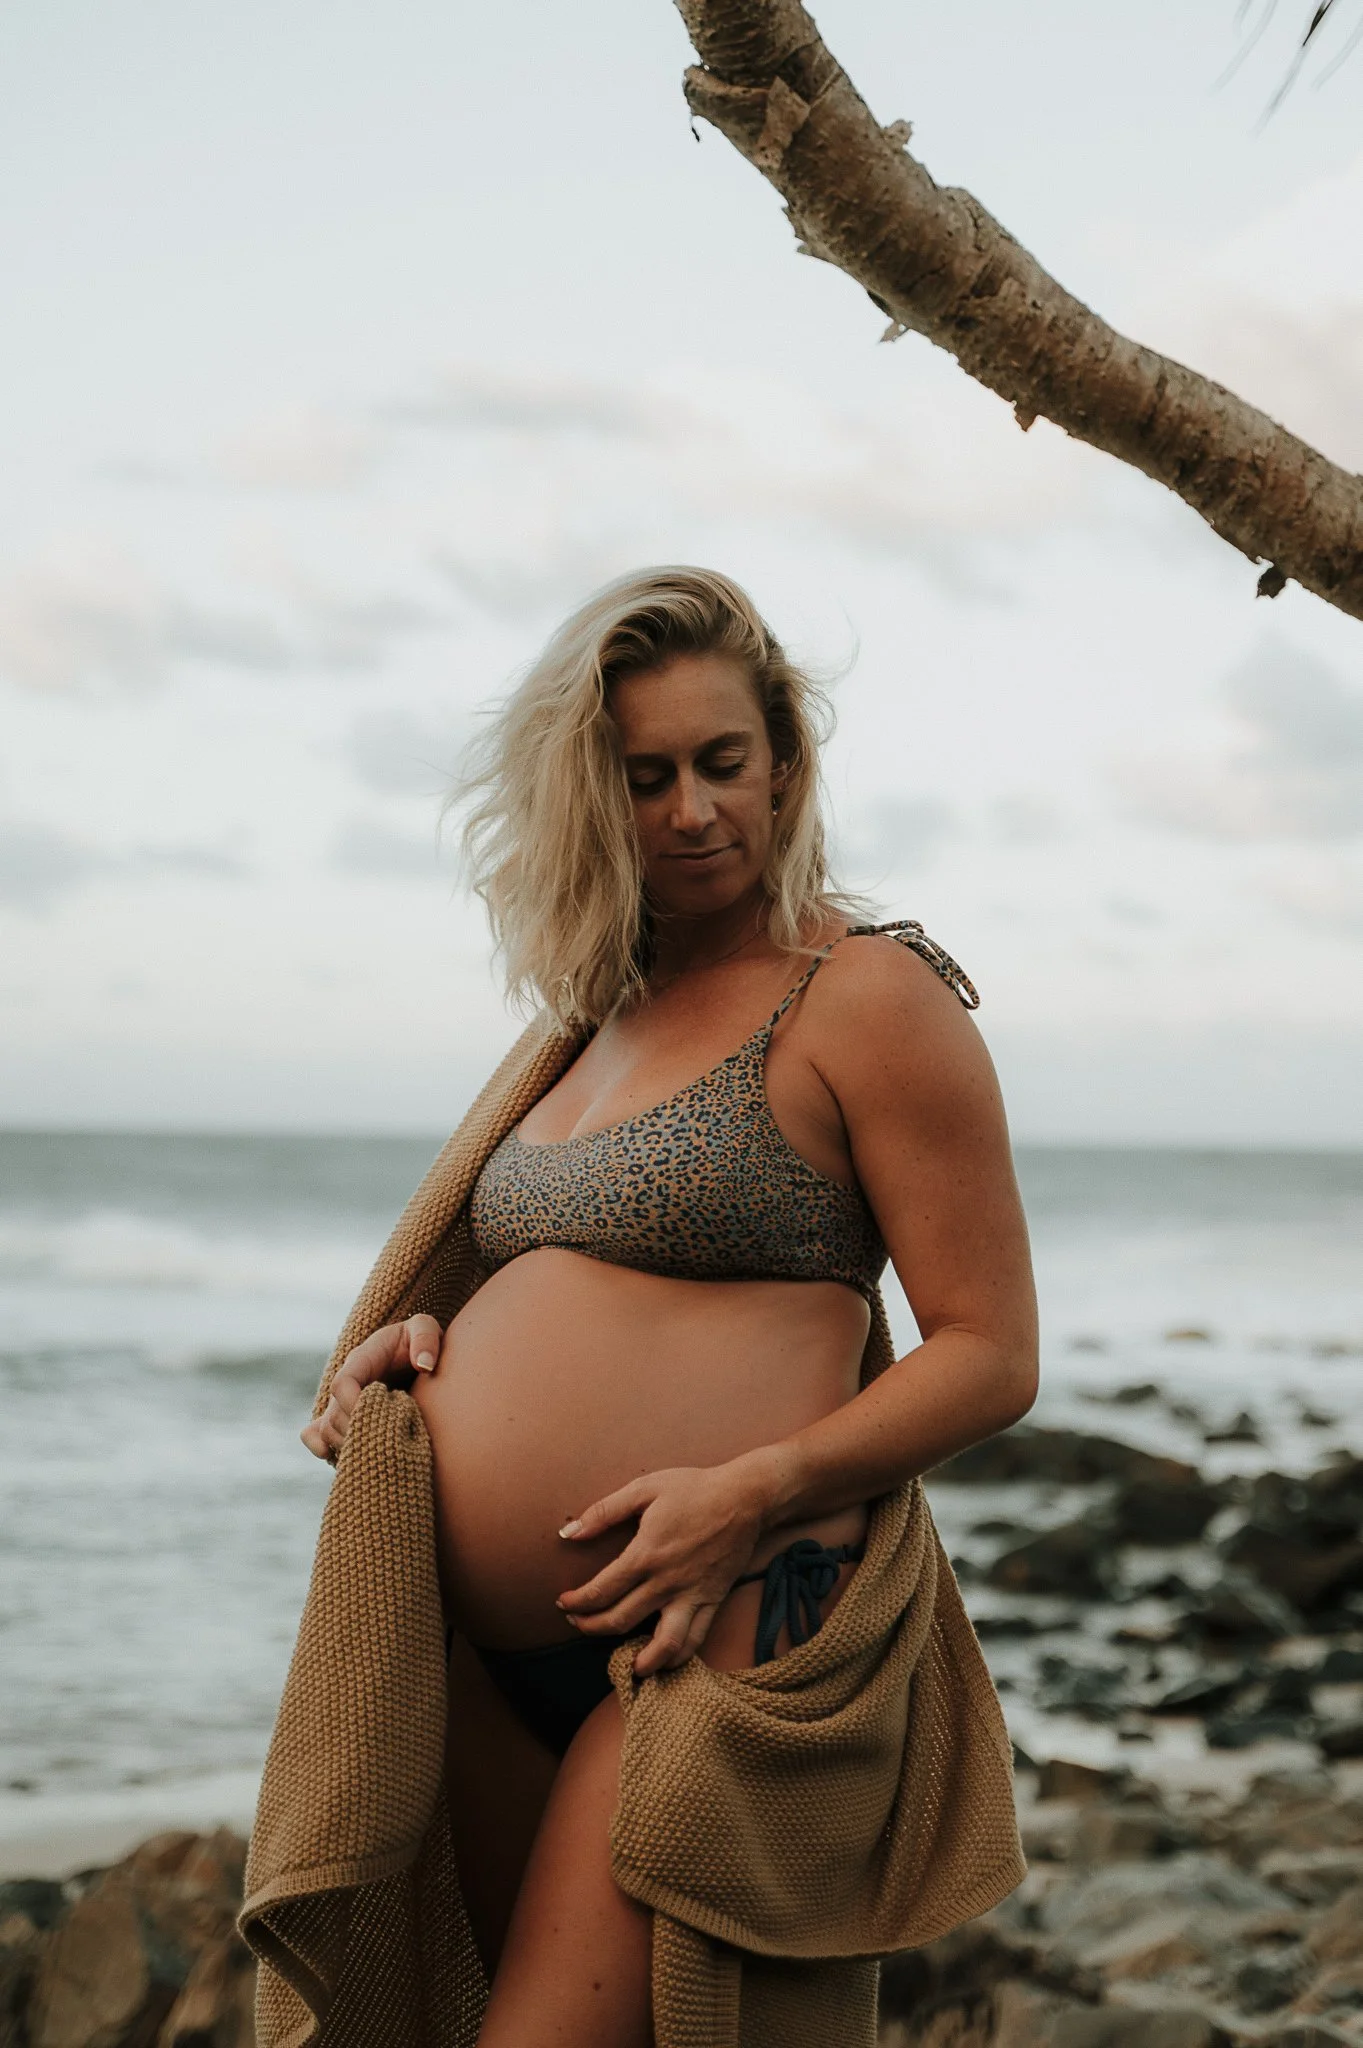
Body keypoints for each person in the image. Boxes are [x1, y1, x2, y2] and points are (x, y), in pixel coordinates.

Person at [273, 565, 1038, 2048]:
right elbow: (508, 1280)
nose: (691, 809)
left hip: (719, 1618)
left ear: (786, 764)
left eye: (721, 764)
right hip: (491, 1659)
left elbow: (991, 1354)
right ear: (584, 796)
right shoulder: (584, 1017)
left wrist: (746, 1495)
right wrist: (396, 1361)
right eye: (643, 779)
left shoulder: (863, 996)